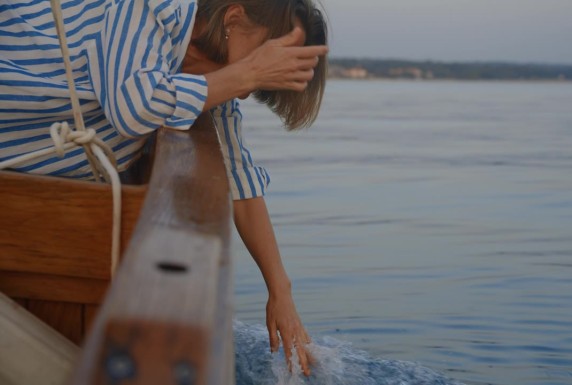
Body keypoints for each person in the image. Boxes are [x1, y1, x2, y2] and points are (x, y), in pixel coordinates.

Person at [0, 0, 328, 376]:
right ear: (233, 17)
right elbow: (132, 106)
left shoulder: (212, 73)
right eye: (260, 60)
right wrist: (245, 74)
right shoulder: (156, 6)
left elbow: (241, 176)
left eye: (260, 85)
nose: (242, 94)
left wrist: (280, 292)